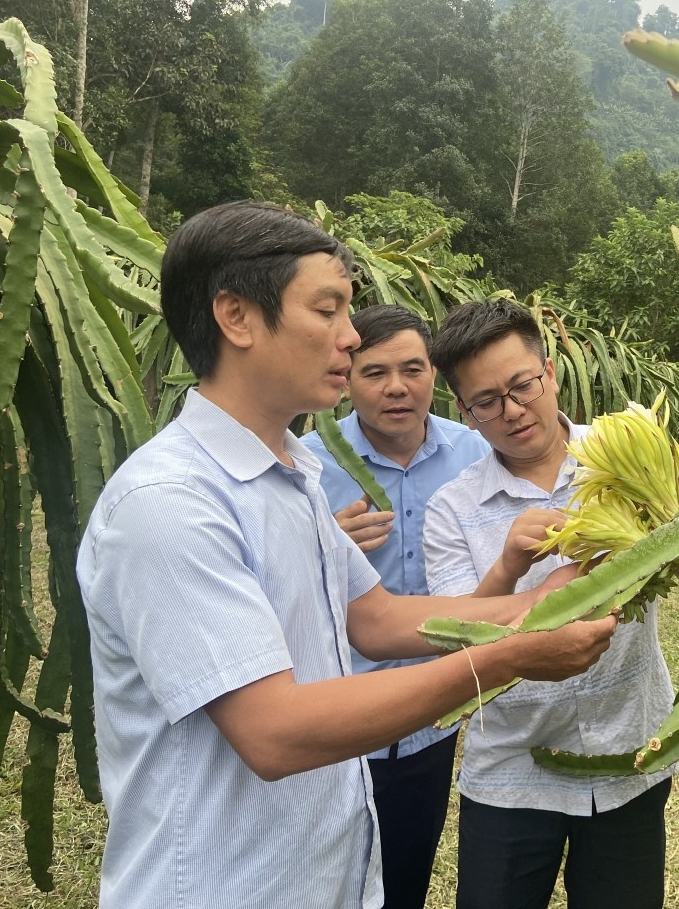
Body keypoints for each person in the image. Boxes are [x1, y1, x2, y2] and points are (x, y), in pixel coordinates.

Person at [76, 202, 616, 909]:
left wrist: (544, 603)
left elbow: (378, 619)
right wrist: (510, 653)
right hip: (222, 886)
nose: (350, 336)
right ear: (236, 317)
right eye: (327, 309)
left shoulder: (292, 471)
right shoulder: (170, 503)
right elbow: (274, 731)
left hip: (320, 872)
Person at [424, 299, 678, 909]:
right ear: (464, 411)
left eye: (523, 385)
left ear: (551, 372)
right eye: (486, 402)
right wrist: (511, 565)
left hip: (629, 753)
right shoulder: (452, 508)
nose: (512, 411)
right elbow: (454, 642)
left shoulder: (626, 454)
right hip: (511, 772)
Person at [304, 304, 490, 909]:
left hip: (429, 716)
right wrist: (318, 547)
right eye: (375, 372)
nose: (396, 387)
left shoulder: (478, 454)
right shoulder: (306, 466)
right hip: (335, 714)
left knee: (405, 875)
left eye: (412, 368)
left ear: (435, 374)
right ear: (345, 380)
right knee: (323, 882)